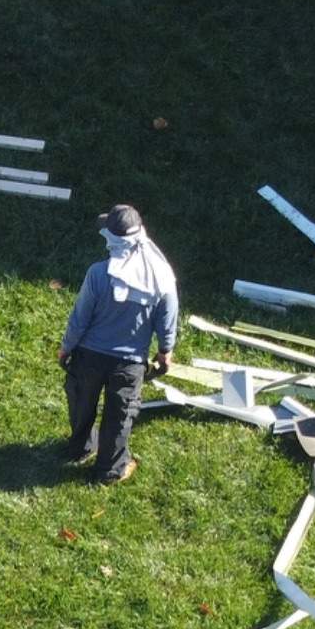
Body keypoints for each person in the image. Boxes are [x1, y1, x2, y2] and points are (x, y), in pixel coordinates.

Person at [57, 205, 178, 486]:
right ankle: (109, 470)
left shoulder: (98, 274)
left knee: (81, 403)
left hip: (88, 357)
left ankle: (80, 448)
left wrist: (66, 347)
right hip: (129, 364)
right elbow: (168, 315)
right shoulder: (161, 276)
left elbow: (80, 318)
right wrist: (165, 350)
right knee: (119, 416)